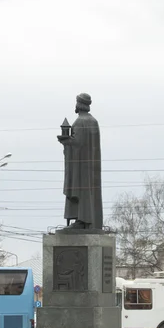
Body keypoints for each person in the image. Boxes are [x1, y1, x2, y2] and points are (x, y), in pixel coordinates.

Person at [58, 93, 103, 230]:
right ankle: (89, 221)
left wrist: (65, 141)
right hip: (91, 167)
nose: (75, 105)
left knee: (80, 191)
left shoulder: (80, 122)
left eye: (76, 102)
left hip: (79, 168)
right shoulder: (94, 121)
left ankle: (81, 220)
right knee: (89, 193)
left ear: (79, 104)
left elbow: (77, 143)